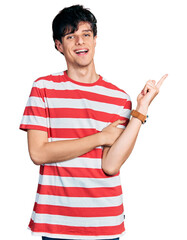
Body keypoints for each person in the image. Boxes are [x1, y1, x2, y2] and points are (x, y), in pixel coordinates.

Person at [20, 4, 167, 240]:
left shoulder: (119, 98)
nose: (80, 42)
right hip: (56, 222)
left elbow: (110, 165)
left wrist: (140, 110)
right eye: (71, 36)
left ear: (95, 40)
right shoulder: (43, 88)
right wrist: (99, 138)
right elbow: (38, 153)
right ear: (59, 45)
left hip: (104, 222)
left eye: (86, 34)